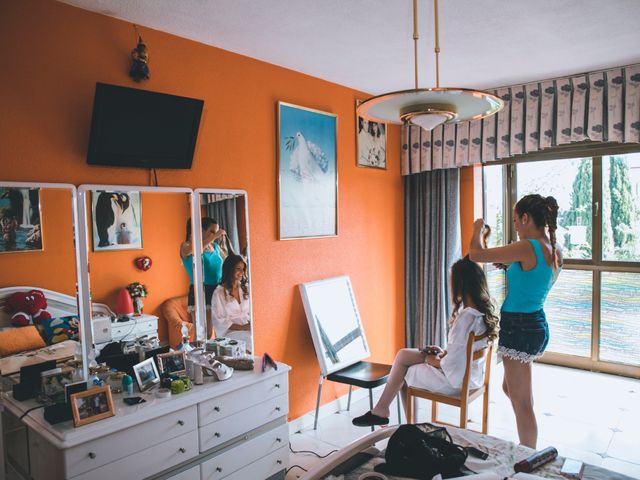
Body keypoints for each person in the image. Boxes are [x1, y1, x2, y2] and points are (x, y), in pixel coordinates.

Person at [352, 256, 499, 427]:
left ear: (460, 285)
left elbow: (453, 364)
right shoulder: (480, 315)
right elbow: (463, 353)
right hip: (473, 377)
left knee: (404, 371)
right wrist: (443, 352)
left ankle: (399, 420)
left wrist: (433, 360)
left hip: (457, 383)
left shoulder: (466, 318)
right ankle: (381, 410)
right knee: (403, 356)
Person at [469, 194, 562, 448]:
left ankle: (529, 457)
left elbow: (475, 254)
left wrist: (477, 229)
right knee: (511, 390)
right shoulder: (554, 250)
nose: (516, 227)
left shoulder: (527, 247)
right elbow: (534, 278)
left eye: (516, 221)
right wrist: (512, 266)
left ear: (526, 217)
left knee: (522, 403)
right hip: (535, 323)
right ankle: (528, 445)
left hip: (520, 326)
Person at [180, 217, 225, 338]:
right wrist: (215, 236)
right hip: (200, 290)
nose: (214, 234)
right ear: (201, 231)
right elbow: (195, 249)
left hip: (218, 290)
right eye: (212, 231)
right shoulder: (186, 246)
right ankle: (195, 356)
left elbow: (227, 263)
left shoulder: (215, 247)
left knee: (214, 332)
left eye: (215, 232)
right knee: (203, 333)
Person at [211, 254, 251, 348]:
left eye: (243, 269)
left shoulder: (244, 289)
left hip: (247, 328)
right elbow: (220, 322)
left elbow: (251, 312)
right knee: (251, 338)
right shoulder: (219, 293)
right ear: (230, 269)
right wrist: (244, 328)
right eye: (238, 268)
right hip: (230, 333)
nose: (242, 272)